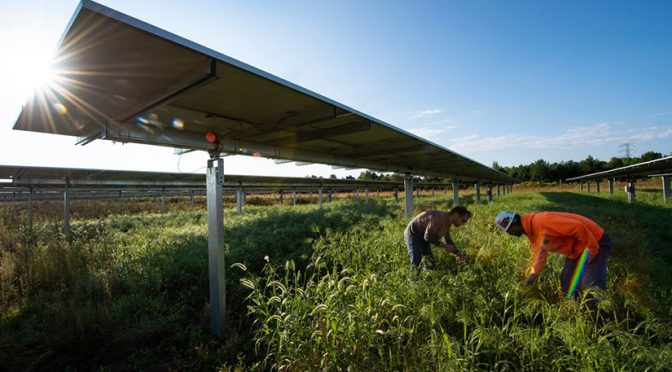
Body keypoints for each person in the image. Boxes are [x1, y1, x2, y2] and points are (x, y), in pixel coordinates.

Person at [494, 210, 612, 297]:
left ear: (514, 223)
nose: (509, 234)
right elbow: (539, 257)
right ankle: (577, 313)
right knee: (567, 284)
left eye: (509, 230)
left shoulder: (541, 221)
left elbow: (578, 227)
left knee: (591, 287)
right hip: (576, 250)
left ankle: (602, 322)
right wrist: (532, 277)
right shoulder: (531, 232)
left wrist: (592, 249)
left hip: (594, 241)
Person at [404, 206, 471, 271]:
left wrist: (460, 255)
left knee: (430, 263)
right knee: (416, 260)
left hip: (423, 236)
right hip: (413, 233)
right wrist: (445, 246)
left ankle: (428, 279)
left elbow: (448, 241)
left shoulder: (448, 222)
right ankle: (413, 279)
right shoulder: (440, 218)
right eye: (463, 220)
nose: (463, 223)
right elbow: (427, 237)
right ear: (456, 215)